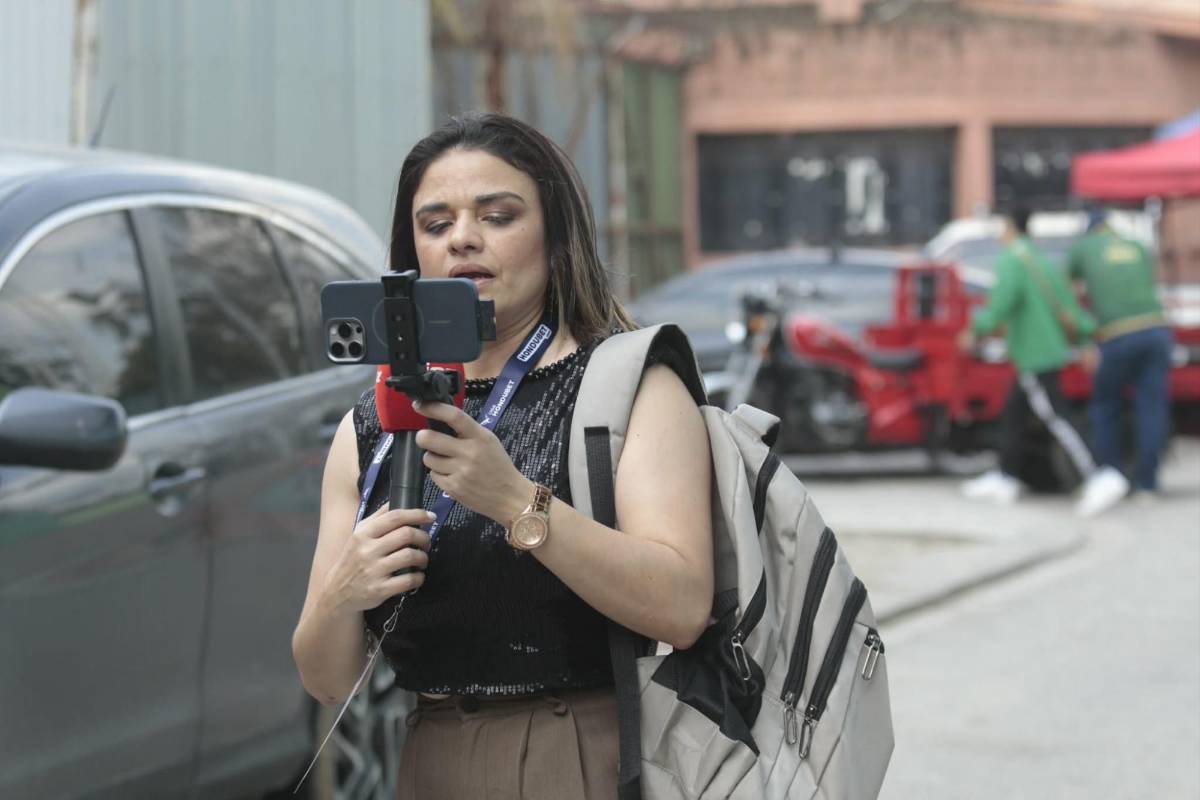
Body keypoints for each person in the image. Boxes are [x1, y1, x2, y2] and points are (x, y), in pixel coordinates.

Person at [291, 113, 714, 799]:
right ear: (412, 257)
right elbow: (328, 679)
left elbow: (682, 605)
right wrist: (345, 591)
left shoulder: (627, 383)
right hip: (429, 753)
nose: (463, 238)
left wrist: (518, 502)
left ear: (554, 234)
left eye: (498, 215)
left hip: (580, 749)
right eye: (436, 224)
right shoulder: (374, 421)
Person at [958, 206, 1123, 516]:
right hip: (1043, 350)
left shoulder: (1012, 259)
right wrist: (1086, 338)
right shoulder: (1040, 258)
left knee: (1057, 417)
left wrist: (976, 328)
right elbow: (1067, 303)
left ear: (1009, 226)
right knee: (1014, 414)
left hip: (1034, 352)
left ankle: (1099, 474)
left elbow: (1001, 303)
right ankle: (1006, 476)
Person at [1068, 208, 1173, 501]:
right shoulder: (1136, 244)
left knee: (1106, 406)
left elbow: (1067, 291)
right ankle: (1147, 484)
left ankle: (1110, 475)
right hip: (1155, 330)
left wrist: (1084, 333)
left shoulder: (1084, 248)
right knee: (1151, 408)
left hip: (1116, 335)